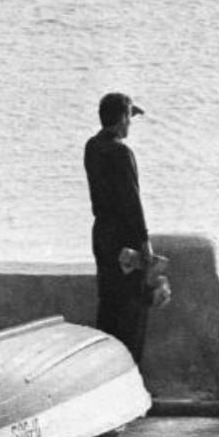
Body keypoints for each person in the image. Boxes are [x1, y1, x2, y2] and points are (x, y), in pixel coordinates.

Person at [83, 92, 154, 364]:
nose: (130, 124)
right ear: (122, 119)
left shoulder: (92, 147)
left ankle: (105, 367)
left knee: (109, 304)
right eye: (129, 118)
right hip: (124, 239)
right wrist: (144, 241)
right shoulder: (122, 153)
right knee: (131, 310)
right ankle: (129, 367)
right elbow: (131, 200)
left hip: (102, 234)